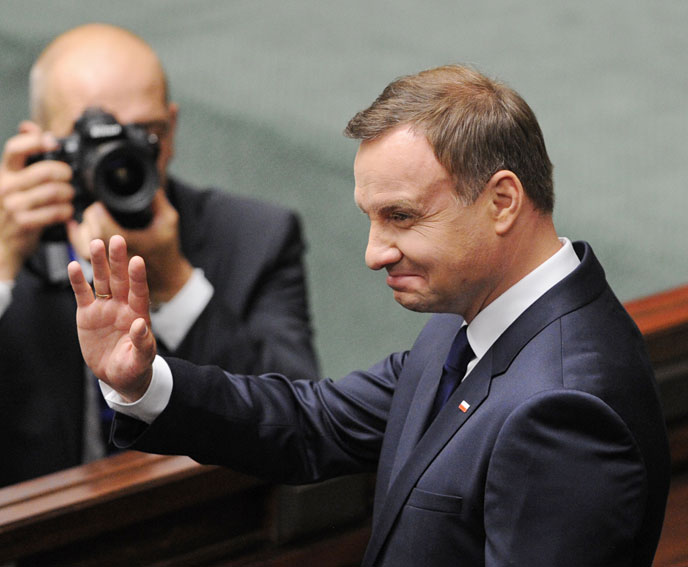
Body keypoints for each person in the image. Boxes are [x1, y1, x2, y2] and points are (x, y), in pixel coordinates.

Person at [68, 65, 671, 566]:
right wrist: (141, 383)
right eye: (371, 219)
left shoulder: (564, 408)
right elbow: (314, 425)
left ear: (502, 201)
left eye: (402, 217)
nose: (373, 254)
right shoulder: (471, 324)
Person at [0, 23, 318, 515]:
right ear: (40, 142)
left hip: (190, 534)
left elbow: (296, 432)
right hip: (7, 538)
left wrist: (175, 282)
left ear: (172, 129)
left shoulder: (254, 236)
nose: (121, 159)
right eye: (92, 138)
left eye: (145, 134)